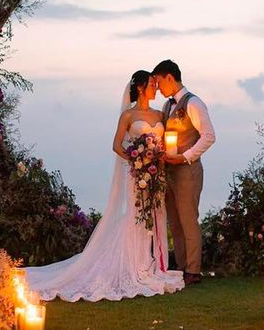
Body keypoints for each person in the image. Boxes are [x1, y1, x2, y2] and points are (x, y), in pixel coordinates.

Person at [25, 70, 184, 302]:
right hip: (137, 174)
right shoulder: (129, 116)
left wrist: (158, 155)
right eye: (151, 84)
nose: (155, 88)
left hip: (156, 175)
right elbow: (117, 145)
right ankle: (134, 265)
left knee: (156, 215)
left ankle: (152, 264)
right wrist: (136, 159)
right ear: (140, 87)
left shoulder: (160, 114)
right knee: (136, 216)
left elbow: (167, 142)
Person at [152, 60, 216, 286]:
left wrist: (185, 156)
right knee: (175, 222)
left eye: (159, 82)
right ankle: (181, 267)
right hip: (169, 172)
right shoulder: (167, 107)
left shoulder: (194, 103)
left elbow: (209, 136)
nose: (158, 88)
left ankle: (193, 270)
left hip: (188, 172)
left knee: (189, 220)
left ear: (170, 77)